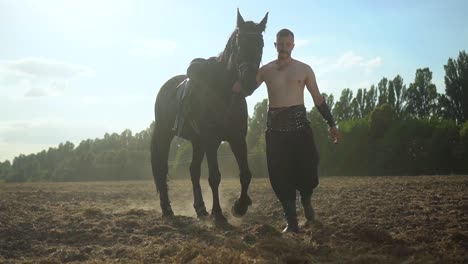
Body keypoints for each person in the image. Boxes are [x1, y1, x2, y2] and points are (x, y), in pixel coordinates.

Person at [254, 28, 339, 233]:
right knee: (280, 176)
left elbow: (318, 99)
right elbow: (246, 90)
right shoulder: (265, 71)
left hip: (300, 129)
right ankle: (291, 222)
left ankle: (307, 201)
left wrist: (332, 123)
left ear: (293, 45)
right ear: (275, 45)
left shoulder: (304, 69)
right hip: (275, 131)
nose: (283, 47)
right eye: (280, 44)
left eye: (287, 44)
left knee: (308, 170)